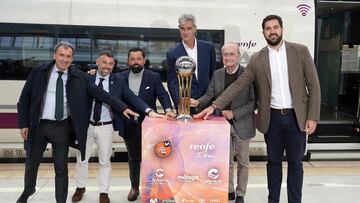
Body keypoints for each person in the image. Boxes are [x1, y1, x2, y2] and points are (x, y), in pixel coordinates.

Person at [194, 15, 321, 203]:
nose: (272, 31)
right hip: (272, 119)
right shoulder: (257, 58)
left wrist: (312, 117)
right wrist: (214, 106)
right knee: (274, 164)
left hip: (297, 118)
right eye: (268, 28)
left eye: (275, 27)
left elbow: (314, 85)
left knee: (296, 164)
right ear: (263, 33)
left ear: (282, 29)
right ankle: (273, 200)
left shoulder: (300, 51)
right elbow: (238, 85)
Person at [16, 41, 139, 203]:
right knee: (32, 163)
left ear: (72, 58)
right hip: (38, 126)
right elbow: (24, 99)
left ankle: (61, 200)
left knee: (61, 167)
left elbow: (101, 94)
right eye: (61, 55)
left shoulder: (78, 76)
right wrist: (24, 123)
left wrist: (122, 108)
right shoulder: (39, 72)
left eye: (68, 56)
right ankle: (28, 190)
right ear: (55, 55)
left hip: (61, 127)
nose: (65, 59)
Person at [71, 51, 164, 203]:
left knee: (105, 161)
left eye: (110, 63)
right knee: (82, 159)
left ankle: (104, 193)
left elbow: (132, 98)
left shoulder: (119, 81)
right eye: (104, 62)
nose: (107, 66)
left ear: (114, 65)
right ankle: (80, 188)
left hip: (106, 127)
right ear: (97, 62)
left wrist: (149, 111)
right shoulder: (87, 78)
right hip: (86, 126)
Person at [190, 42, 255, 203]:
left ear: (238, 56)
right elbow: (210, 94)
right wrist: (198, 103)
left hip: (242, 125)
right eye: (225, 55)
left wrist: (234, 113)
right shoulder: (218, 74)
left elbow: (254, 102)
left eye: (231, 54)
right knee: (226, 162)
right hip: (222, 126)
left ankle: (241, 194)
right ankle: (229, 190)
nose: (228, 57)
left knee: (243, 163)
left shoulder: (248, 74)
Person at [118, 47, 176, 201]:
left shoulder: (153, 77)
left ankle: (156, 188)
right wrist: (91, 73)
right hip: (129, 125)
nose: (135, 62)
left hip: (150, 125)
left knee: (156, 158)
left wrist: (168, 109)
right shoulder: (119, 77)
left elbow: (162, 95)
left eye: (139, 59)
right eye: (132, 59)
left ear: (144, 60)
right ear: (128, 61)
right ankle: (135, 187)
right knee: (134, 158)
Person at [167, 13, 216, 113]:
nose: (185, 32)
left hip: (207, 104)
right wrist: (179, 103)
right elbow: (172, 83)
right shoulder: (172, 54)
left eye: (189, 28)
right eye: (182, 28)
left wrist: (209, 99)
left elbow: (213, 76)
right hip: (185, 107)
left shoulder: (208, 48)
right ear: (179, 29)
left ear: (195, 28)